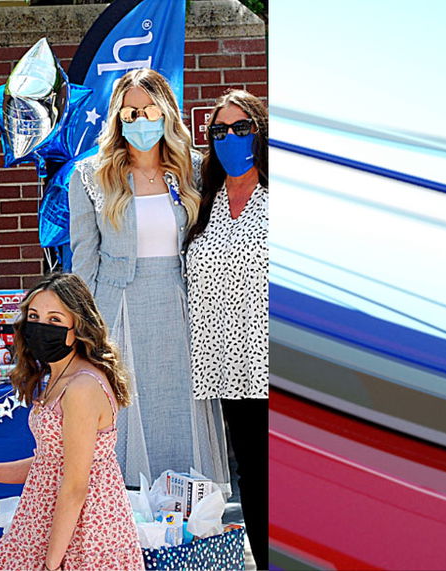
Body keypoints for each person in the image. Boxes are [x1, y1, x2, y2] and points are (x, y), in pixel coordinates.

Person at [67, 68, 229, 489]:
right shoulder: (90, 175)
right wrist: (83, 332)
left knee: (179, 411)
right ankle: (127, 517)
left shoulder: (195, 171)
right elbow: (84, 261)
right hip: (119, 310)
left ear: (167, 113)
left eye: (150, 110)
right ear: (118, 118)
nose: (141, 120)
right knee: (123, 410)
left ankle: (188, 517)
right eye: (131, 112)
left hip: (181, 309)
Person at [0, 273, 143, 571]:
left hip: (81, 534)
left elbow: (75, 485)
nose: (41, 326)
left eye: (54, 319)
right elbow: (51, 462)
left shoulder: (82, 387)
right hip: (42, 524)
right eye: (34, 316)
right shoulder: (58, 375)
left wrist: (52, 563)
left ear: (78, 326)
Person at [184, 89, 269, 569]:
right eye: (220, 130)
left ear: (259, 132)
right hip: (227, 366)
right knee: (252, 476)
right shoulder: (205, 202)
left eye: (241, 128)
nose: (230, 137)